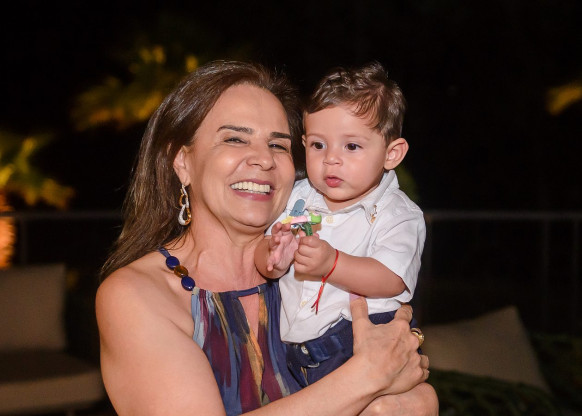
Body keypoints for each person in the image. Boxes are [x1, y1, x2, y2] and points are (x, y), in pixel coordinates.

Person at [96, 60, 437, 416]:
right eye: (235, 138)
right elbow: (374, 376)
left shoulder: (307, 274)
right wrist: (367, 376)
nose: (263, 159)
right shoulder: (137, 295)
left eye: (277, 145)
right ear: (181, 161)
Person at [255, 62, 425, 386]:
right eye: (318, 145)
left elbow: (392, 279)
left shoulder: (397, 214)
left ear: (391, 154)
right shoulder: (297, 197)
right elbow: (265, 255)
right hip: (291, 350)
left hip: (358, 341)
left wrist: (332, 264)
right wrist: (273, 255)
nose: (331, 158)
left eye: (351, 146)